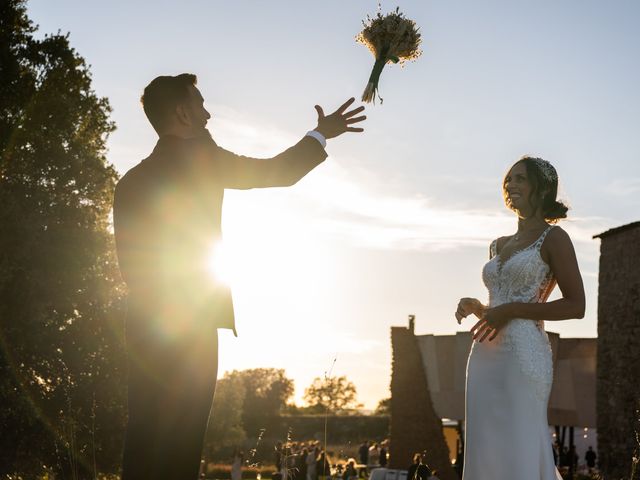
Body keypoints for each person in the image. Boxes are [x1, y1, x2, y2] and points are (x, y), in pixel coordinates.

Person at [113, 73, 366, 480]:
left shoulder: (130, 182)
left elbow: (130, 270)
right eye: (200, 104)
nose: (208, 113)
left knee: (144, 431)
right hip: (191, 326)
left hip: (143, 327)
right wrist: (321, 134)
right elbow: (278, 172)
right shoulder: (202, 162)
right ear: (182, 112)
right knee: (183, 438)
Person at [455, 157, 585, 480]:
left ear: (540, 190)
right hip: (484, 356)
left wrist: (512, 310)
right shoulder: (496, 245)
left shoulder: (555, 239)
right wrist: (478, 307)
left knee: (520, 443)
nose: (510, 185)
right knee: (485, 447)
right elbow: (497, 307)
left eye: (520, 179)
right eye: (509, 179)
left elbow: (576, 306)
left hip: (524, 357)